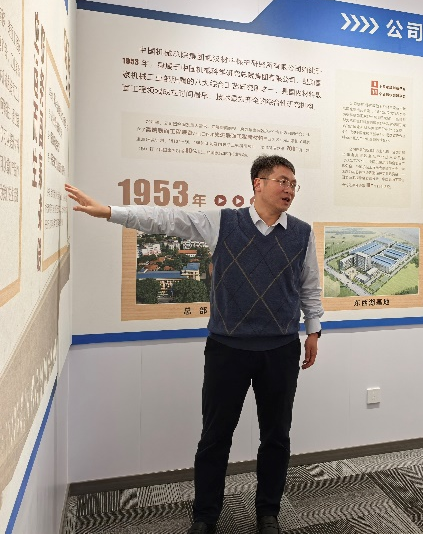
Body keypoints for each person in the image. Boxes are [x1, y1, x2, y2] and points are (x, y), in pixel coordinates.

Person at [66, 155, 323, 534]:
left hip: (280, 349)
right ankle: (205, 517)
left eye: (293, 184)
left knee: (276, 436)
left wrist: (313, 330)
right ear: (258, 183)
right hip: (227, 350)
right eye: (282, 181)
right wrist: (109, 212)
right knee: (215, 438)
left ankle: (268, 513)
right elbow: (166, 219)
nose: (289, 190)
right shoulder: (224, 222)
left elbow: (309, 286)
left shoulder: (301, 233)